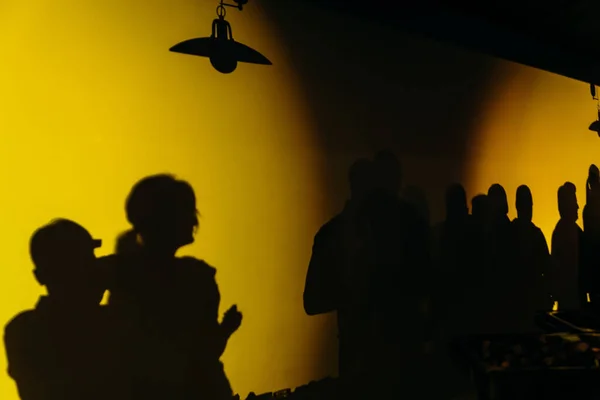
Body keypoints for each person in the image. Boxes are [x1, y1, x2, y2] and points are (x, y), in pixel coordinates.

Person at [99, 174, 241, 400]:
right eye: (186, 212)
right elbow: (201, 354)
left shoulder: (117, 272)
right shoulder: (196, 278)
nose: (194, 221)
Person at [4, 219, 124, 400]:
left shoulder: (22, 328)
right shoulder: (26, 330)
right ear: (41, 276)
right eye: (80, 263)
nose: (91, 270)